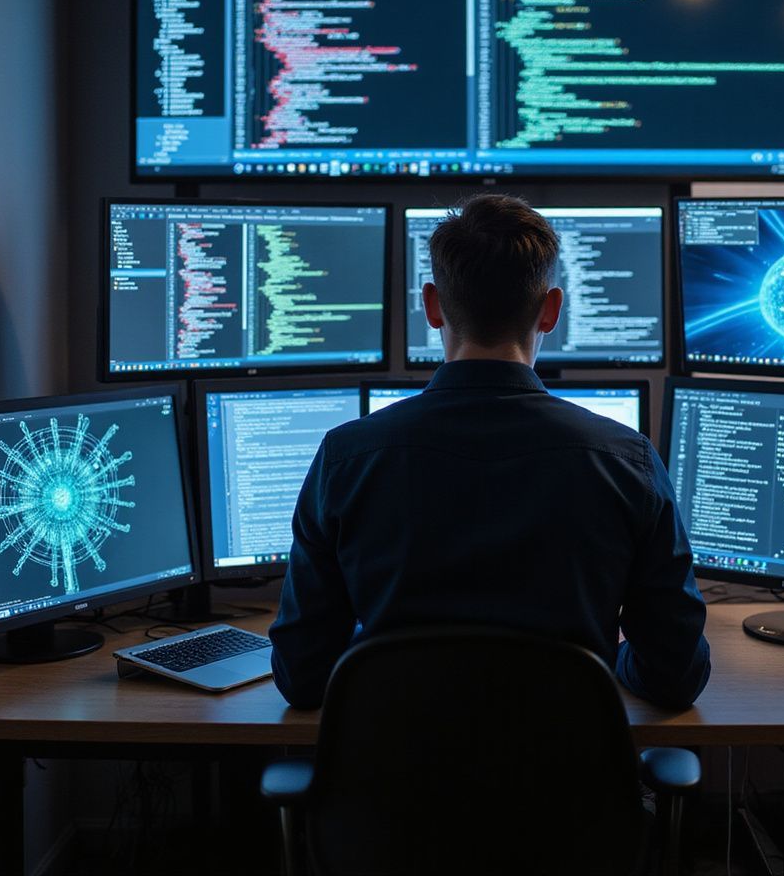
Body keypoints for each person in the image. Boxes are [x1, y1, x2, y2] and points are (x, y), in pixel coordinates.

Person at [270, 194, 710, 710]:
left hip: (394, 785)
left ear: (431, 305)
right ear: (551, 310)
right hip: (567, 786)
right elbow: (675, 676)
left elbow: (302, 677)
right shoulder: (627, 462)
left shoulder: (346, 458)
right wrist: (600, 661)